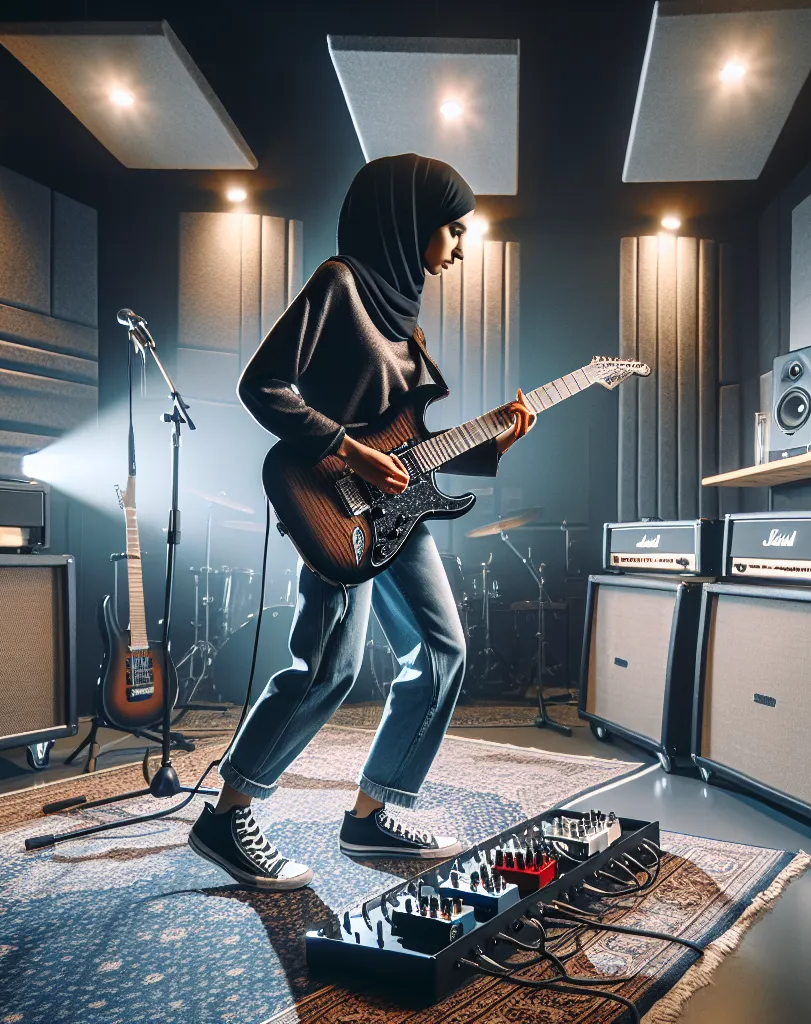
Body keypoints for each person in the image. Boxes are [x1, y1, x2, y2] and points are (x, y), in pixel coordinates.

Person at [188, 153, 536, 890]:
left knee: (443, 653)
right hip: (332, 503)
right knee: (328, 669)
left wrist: (494, 443)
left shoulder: (403, 319)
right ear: (410, 223)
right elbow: (262, 385)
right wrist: (347, 450)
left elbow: (408, 448)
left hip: (399, 510)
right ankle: (226, 815)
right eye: (453, 229)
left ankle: (373, 816)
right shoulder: (340, 283)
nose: (461, 247)